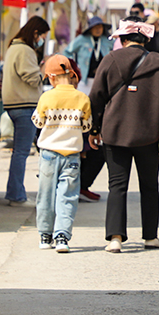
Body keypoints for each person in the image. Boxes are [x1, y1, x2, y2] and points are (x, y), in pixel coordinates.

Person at [88, 16, 159, 253]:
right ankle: (150, 236)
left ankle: (115, 238)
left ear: (123, 38)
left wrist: (94, 129)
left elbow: (95, 98)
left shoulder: (110, 60)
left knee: (117, 186)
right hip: (148, 133)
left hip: (114, 133)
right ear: (145, 39)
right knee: (149, 185)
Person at [32, 55, 92, 253]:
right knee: (67, 196)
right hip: (72, 155)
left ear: (51, 77)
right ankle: (62, 237)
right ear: (70, 74)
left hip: (49, 153)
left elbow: (38, 122)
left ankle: (44, 235)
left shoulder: (46, 97)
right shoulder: (82, 98)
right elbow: (86, 126)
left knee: (46, 195)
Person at [63, 16, 113, 203]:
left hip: (101, 81)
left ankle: (82, 185)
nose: (98, 30)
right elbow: (67, 52)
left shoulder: (107, 42)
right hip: (85, 81)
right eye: (95, 27)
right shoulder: (82, 41)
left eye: (101, 27)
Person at [2, 16, 50, 206]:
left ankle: (16, 192)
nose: (42, 40)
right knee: (21, 152)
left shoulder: (15, 47)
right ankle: (16, 195)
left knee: (20, 152)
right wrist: (44, 69)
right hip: (24, 105)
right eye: (42, 36)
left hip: (15, 104)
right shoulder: (24, 50)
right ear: (35, 33)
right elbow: (32, 78)